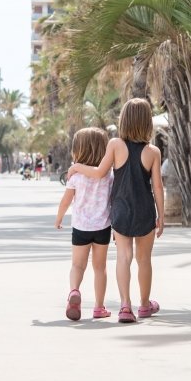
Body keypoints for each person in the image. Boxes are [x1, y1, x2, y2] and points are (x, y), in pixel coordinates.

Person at [67, 98, 165, 323]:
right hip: (145, 211)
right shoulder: (153, 152)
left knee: (124, 256)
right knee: (144, 259)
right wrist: (162, 215)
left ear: (124, 120)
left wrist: (77, 167)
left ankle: (124, 306)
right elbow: (157, 187)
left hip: (120, 209)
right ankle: (144, 305)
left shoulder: (115, 145)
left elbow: (100, 173)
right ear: (147, 123)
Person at [54, 128, 114, 321]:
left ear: (78, 150)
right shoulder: (109, 176)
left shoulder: (75, 176)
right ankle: (99, 307)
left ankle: (74, 291)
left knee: (78, 265)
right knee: (100, 268)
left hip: (80, 227)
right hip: (102, 227)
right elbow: (113, 201)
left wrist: (59, 218)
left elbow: (65, 201)